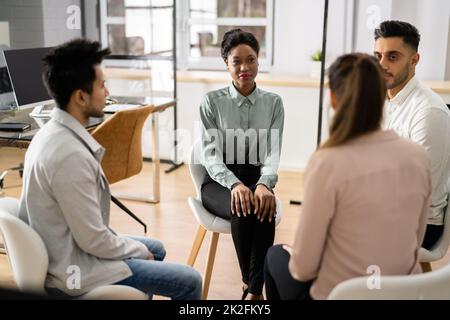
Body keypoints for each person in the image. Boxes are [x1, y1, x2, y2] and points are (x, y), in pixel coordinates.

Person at [18, 39, 202, 299]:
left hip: (67, 246)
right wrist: (139, 252)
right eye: (102, 84)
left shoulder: (50, 132)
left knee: (156, 248)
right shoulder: (68, 156)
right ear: (80, 97)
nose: (107, 91)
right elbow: (93, 240)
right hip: (73, 270)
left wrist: (139, 250)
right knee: (190, 281)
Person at [264, 53, 431, 300]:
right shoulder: (418, 157)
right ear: (382, 96)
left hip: (340, 295)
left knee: (275, 256)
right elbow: (415, 241)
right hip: (402, 292)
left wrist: (297, 253)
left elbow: (302, 269)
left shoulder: (327, 162)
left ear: (333, 98)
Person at [199, 29, 284, 300]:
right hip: (218, 181)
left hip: (256, 175)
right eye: (237, 61)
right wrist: (234, 184)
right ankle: (254, 288)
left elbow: (272, 152)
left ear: (259, 61)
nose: (244, 68)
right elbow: (210, 155)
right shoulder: (211, 102)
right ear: (226, 63)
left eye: (251, 60)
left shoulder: (273, 103)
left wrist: (263, 183)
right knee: (243, 207)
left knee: (264, 206)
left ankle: (251, 292)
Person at [374, 20, 450, 250]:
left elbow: (416, 192)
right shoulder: (385, 101)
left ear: (414, 60)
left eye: (393, 57)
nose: (382, 64)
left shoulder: (429, 111)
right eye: (378, 56)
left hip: (419, 225)